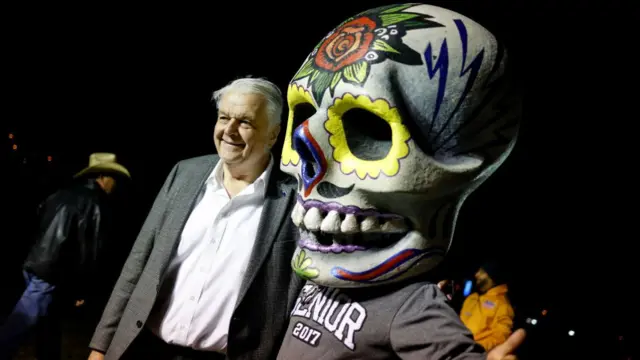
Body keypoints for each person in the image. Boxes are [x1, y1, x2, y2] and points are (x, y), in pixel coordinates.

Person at [275, 3, 525, 359]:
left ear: (467, 171)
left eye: (371, 128)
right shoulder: (315, 280)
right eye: (302, 115)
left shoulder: (412, 304)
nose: (311, 167)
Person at [88, 77, 304, 360]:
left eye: (245, 122)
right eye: (224, 117)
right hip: (145, 348)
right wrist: (101, 346)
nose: (229, 130)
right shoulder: (184, 174)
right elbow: (139, 263)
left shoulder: (294, 200)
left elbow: (294, 299)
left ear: (274, 135)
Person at [0, 152, 130, 360]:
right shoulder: (96, 203)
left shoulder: (62, 193)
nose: (116, 185)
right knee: (20, 324)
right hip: (49, 273)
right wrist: (81, 290)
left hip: (34, 264)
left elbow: (37, 222)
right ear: (104, 176)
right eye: (115, 178)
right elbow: (90, 253)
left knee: (48, 323)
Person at [460, 263, 515, 351]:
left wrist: (474, 348)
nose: (476, 274)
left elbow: (501, 336)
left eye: (482, 272)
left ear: (492, 277)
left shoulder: (502, 305)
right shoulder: (472, 298)